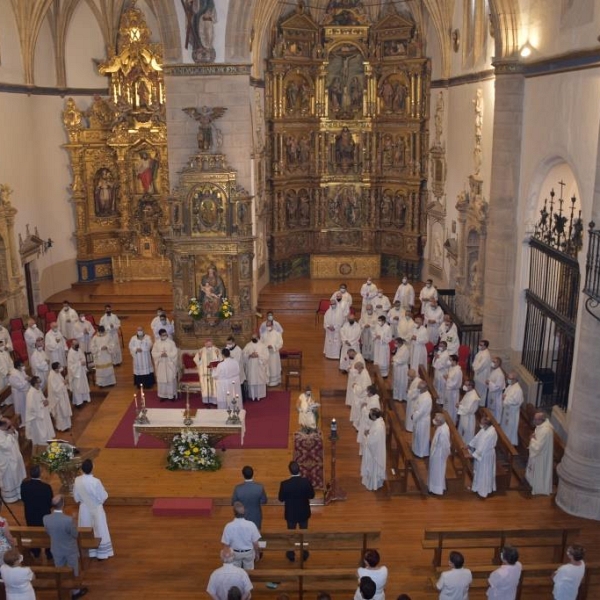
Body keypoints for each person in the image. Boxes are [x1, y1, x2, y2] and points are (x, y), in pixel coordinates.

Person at [43, 495, 88, 599]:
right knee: (73, 570)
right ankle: (75, 591)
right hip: (69, 549)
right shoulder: (68, 520)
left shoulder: (46, 518)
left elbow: (48, 532)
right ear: (63, 505)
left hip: (55, 548)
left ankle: (63, 590)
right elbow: (75, 534)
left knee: (59, 569)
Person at [73, 459, 114, 559]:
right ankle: (102, 554)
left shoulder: (77, 480)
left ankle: (89, 552)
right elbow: (103, 496)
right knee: (99, 529)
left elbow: (76, 498)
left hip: (84, 509)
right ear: (92, 468)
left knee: (86, 528)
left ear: (82, 469)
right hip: (96, 508)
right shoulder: (96, 481)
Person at [278, 461, 315, 562]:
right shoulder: (306, 482)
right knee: (303, 533)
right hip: (304, 512)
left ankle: (291, 554)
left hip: (291, 513)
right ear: (299, 469)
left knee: (291, 534)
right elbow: (312, 496)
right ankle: (305, 553)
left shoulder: (285, 484)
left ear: (289, 471)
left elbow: (281, 498)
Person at [20, 464, 53, 559]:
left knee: (32, 532)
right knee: (46, 533)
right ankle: (49, 552)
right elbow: (50, 502)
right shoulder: (46, 487)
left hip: (30, 514)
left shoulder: (24, 485)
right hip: (44, 515)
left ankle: (35, 551)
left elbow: (23, 499)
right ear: (40, 474)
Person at [221, 502, 261, 570]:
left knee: (235, 571)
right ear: (244, 512)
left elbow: (226, 544)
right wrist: (257, 553)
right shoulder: (251, 525)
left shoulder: (228, 526)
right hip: (249, 553)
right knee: (249, 573)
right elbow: (255, 543)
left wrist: (226, 558)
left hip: (235, 553)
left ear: (234, 513)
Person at [468, 416, 498, 498]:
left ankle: (483, 491)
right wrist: (469, 445)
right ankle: (477, 487)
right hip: (482, 454)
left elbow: (484, 446)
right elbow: (477, 437)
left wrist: (474, 454)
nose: (480, 424)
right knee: (478, 471)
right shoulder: (484, 429)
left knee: (484, 472)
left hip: (486, 455)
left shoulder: (491, 433)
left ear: (486, 424)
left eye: (481, 423)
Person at [526, 411, 554, 495]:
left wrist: (532, 439)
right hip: (539, 455)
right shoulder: (540, 427)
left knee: (540, 473)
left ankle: (539, 489)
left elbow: (538, 447)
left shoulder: (545, 431)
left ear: (541, 420)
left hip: (541, 457)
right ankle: (533, 484)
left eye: (536, 419)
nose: (534, 421)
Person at [231, 466, 267, 530]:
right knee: (255, 535)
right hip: (256, 516)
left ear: (243, 475)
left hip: (242, 517)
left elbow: (234, 502)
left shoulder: (238, 488)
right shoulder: (259, 487)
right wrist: (256, 501)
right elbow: (264, 501)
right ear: (253, 474)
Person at [0, 418, 26, 502]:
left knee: (18, 476)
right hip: (7, 462)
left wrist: (13, 432)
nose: (11, 427)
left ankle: (19, 493)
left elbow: (15, 437)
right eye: (9, 426)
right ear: (3, 426)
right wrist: (10, 435)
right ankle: (11, 497)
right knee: (10, 478)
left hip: (15, 458)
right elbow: (5, 447)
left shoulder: (5, 431)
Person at [25, 376, 55, 446]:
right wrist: (42, 405)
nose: (40, 384)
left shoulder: (38, 390)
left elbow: (43, 398)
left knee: (46, 429)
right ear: (34, 383)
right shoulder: (31, 394)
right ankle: (41, 446)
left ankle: (48, 442)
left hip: (43, 414)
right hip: (37, 418)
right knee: (41, 433)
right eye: (38, 382)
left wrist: (46, 401)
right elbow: (31, 408)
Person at [361, 408, 386, 491]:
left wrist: (366, 436)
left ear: (375, 416)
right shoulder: (379, 422)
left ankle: (373, 483)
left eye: (371, 414)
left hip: (375, 453)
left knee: (373, 467)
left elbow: (373, 442)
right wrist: (369, 432)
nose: (370, 416)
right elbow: (373, 434)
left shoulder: (379, 426)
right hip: (376, 450)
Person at [152, 329, 178, 402]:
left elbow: (175, 352)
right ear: (160, 335)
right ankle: (163, 396)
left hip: (169, 364)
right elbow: (153, 353)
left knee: (170, 380)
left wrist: (168, 354)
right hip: (161, 364)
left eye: (166, 334)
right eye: (163, 335)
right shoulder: (157, 343)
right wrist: (160, 354)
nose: (165, 336)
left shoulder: (171, 342)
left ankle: (171, 395)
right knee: (162, 380)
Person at [428, 413, 451, 495]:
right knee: (435, 471)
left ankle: (436, 489)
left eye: (436, 420)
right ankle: (433, 487)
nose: (434, 422)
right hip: (437, 452)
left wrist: (442, 456)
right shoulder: (441, 427)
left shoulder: (444, 431)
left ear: (440, 422)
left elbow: (445, 446)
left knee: (437, 472)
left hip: (439, 455)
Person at [194, 339, 222, 405]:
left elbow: (220, 360)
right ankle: (206, 401)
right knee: (205, 387)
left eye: (210, 344)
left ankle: (215, 401)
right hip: (205, 372)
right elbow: (196, 360)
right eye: (207, 344)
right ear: (205, 344)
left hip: (214, 372)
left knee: (215, 387)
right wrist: (200, 357)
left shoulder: (216, 350)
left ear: (212, 343)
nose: (208, 346)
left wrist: (218, 355)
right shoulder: (201, 350)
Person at [242, 334, 269, 402]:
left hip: (259, 366)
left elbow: (266, 356)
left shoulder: (263, 345)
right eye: (252, 337)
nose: (253, 338)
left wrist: (258, 355)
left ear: (258, 338)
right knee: (252, 380)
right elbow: (243, 354)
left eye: (255, 337)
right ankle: (252, 396)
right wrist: (249, 355)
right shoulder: (248, 345)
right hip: (251, 366)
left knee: (259, 380)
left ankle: (260, 395)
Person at [47, 362, 72, 431]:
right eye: (59, 367)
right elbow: (55, 389)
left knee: (65, 410)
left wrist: (64, 382)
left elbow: (61, 382)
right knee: (60, 413)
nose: (61, 368)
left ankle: (67, 425)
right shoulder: (51, 376)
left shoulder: (57, 373)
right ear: (56, 369)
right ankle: (62, 427)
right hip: (57, 398)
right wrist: (63, 383)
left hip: (62, 395)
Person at [501, 372, 524, 445]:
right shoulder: (510, 386)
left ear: (515, 379)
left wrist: (505, 398)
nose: (508, 380)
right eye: (508, 378)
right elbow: (505, 394)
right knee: (505, 426)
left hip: (512, 413)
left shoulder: (518, 390)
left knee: (510, 428)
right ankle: (504, 440)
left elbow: (515, 401)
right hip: (507, 411)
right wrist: (504, 397)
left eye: (510, 378)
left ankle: (509, 443)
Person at [67, 341, 91, 407]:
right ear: (72, 345)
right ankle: (79, 402)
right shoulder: (70, 354)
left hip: (82, 371)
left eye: (78, 345)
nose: (77, 347)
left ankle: (85, 398)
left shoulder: (79, 350)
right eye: (76, 345)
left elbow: (83, 357)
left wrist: (83, 361)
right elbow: (70, 366)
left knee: (84, 385)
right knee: (77, 388)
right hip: (76, 374)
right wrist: (79, 363)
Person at [412, 381, 432, 458]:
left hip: (422, 420)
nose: (419, 390)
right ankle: (416, 450)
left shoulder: (427, 398)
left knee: (421, 436)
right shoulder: (422, 394)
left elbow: (421, 411)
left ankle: (421, 453)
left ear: (425, 388)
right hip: (419, 418)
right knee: (417, 435)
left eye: (421, 388)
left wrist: (414, 416)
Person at [444, 354, 463, 423]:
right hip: (448, 391)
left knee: (452, 407)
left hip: (453, 392)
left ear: (454, 361)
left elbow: (455, 383)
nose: (449, 361)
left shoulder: (458, 371)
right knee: (447, 405)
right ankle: (447, 419)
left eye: (450, 360)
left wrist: (447, 379)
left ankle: (452, 421)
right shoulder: (451, 368)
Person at [486, 357, 506, 422]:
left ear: (498, 363)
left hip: (496, 395)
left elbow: (498, 387)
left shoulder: (500, 374)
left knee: (496, 411)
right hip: (491, 393)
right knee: (490, 409)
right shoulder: (494, 370)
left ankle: (496, 423)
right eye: (492, 361)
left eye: (494, 362)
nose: (492, 363)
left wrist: (489, 383)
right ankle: (490, 420)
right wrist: (488, 382)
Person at [472, 340, 491, 404]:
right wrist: (474, 367)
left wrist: (476, 369)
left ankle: (480, 405)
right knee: (477, 390)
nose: (479, 346)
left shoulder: (486, 355)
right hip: (477, 375)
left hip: (482, 376)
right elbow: (475, 361)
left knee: (481, 392)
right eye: (479, 344)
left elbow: (482, 366)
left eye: (481, 345)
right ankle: (476, 403)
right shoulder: (480, 352)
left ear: (485, 346)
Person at [432, 341, 451, 406]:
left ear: (445, 347)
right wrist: (436, 358)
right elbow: (434, 363)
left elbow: (440, 365)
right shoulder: (439, 352)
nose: (440, 347)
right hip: (437, 372)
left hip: (442, 373)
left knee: (442, 388)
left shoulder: (446, 355)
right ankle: (437, 399)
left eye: (442, 346)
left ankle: (441, 401)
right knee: (437, 386)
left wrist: (437, 358)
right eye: (439, 346)